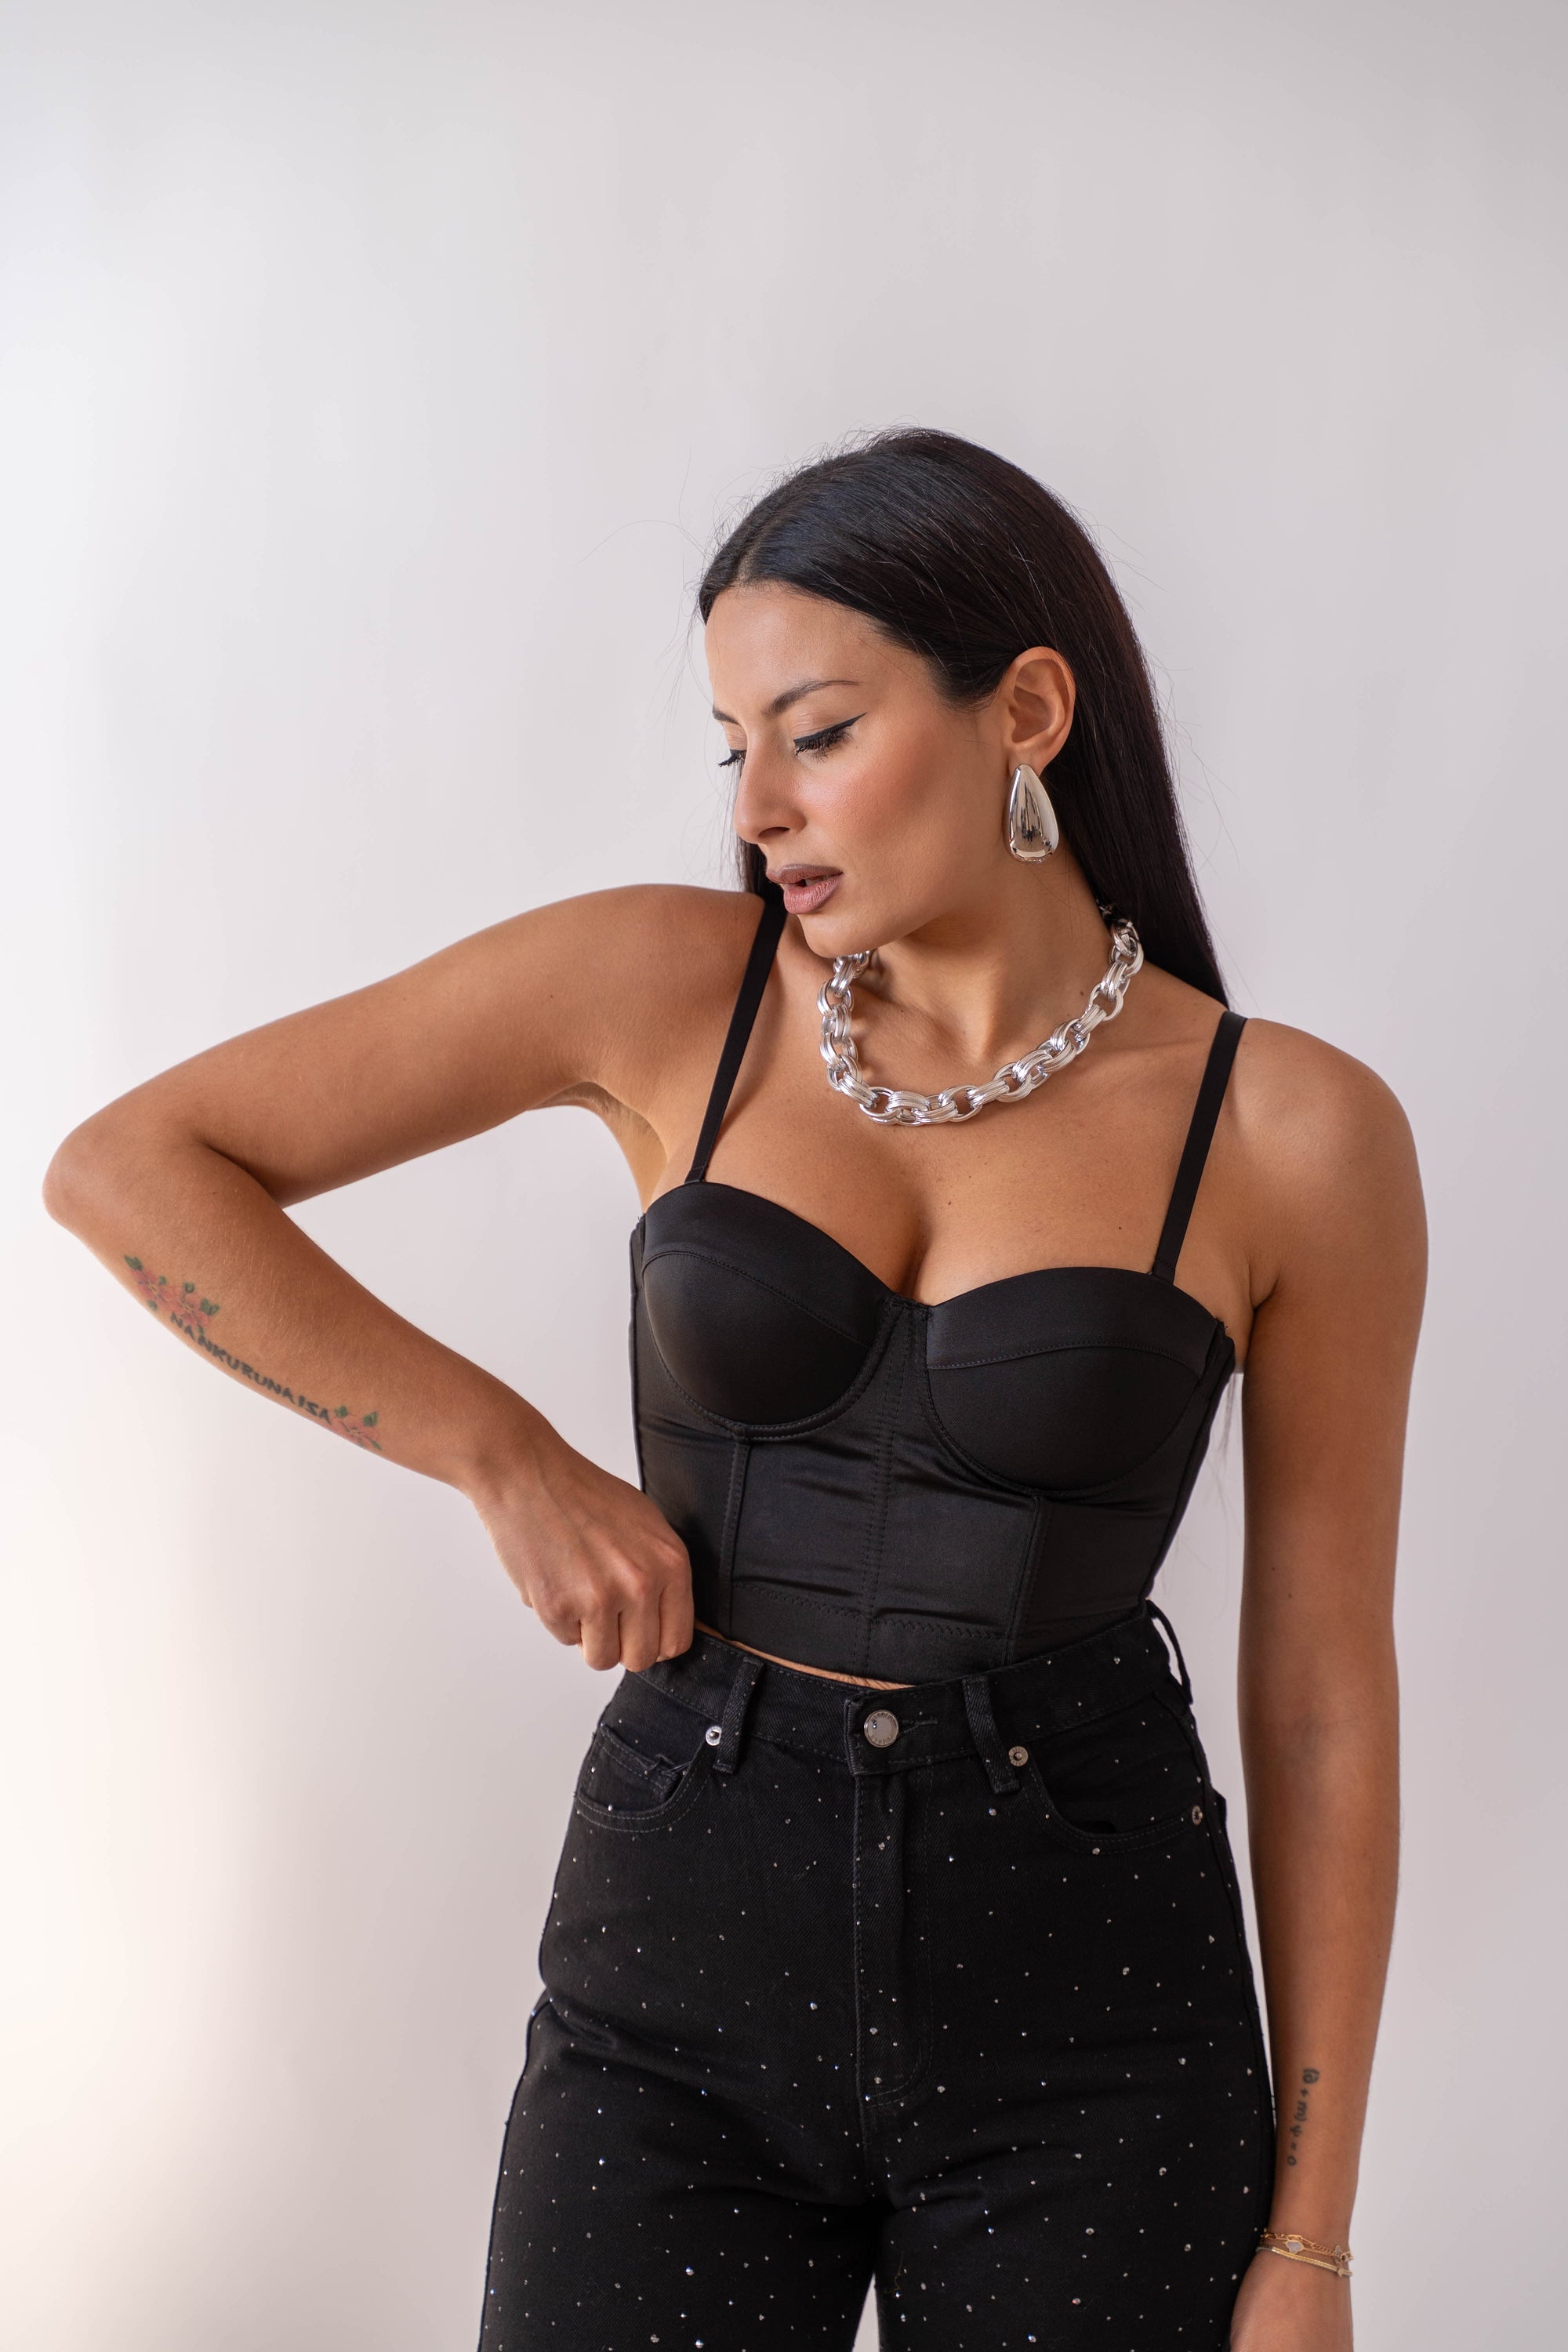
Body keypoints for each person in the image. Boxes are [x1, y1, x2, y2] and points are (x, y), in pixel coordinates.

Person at [43, 429, 1424, 2350]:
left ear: (1026, 713)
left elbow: (1322, 1690)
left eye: (820, 732)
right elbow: (130, 1167)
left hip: (1093, 2003)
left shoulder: (1289, 1132)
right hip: (683, 1949)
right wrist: (502, 1457)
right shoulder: (665, 989)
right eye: (732, 747)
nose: (762, 805)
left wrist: (1312, 2240)